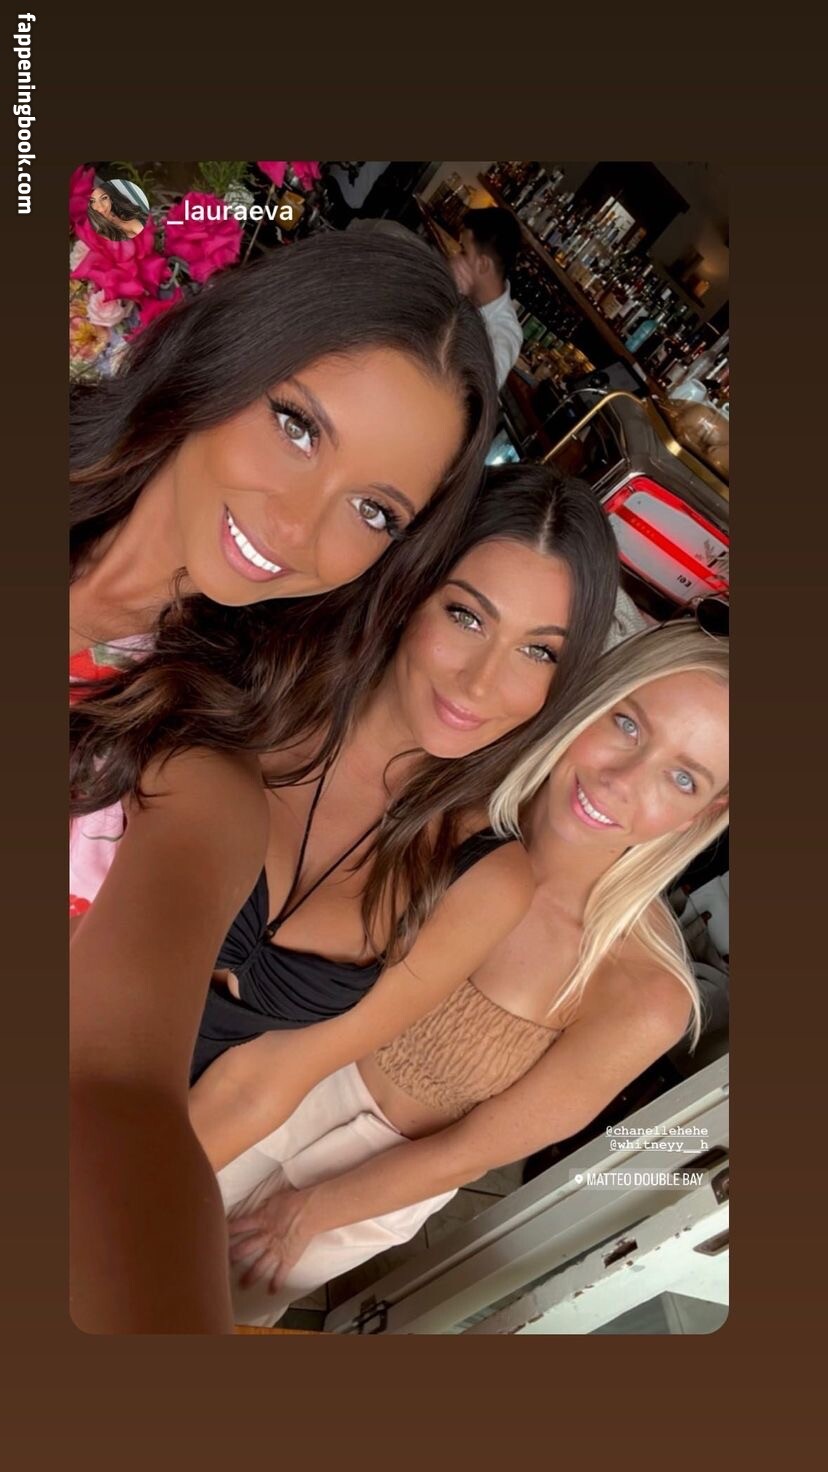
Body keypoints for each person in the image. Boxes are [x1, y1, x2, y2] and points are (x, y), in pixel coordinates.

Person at [70, 465, 620, 1333]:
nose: (482, 682)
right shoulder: (246, 683)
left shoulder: (483, 874)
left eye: (538, 651)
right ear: (410, 590)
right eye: (467, 615)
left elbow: (262, 1084)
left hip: (159, 1142)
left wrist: (102, 1210)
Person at [188, 623, 729, 1327]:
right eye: (627, 725)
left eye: (683, 778)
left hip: (366, 1189)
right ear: (590, 699)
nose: (622, 781)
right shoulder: (443, 800)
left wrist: (306, 1214)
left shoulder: (644, 992)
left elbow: (469, 1154)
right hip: (255, 1067)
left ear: (707, 811)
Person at [69, 227, 498, 913]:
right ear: (229, 355)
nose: (298, 528)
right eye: (298, 428)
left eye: (374, 510)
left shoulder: (198, 752)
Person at [450, 207, 524, 389]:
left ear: (483, 264)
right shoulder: (462, 292)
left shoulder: (504, 332)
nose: (455, 256)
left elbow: (478, 387)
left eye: (463, 251)